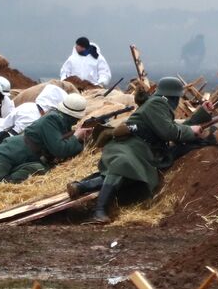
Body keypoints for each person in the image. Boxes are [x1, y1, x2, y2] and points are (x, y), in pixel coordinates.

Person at [68, 76, 210, 224]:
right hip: (128, 146)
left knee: (131, 176)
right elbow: (169, 132)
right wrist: (191, 130)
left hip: (139, 150)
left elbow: (177, 127)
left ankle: (81, 186)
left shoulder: (159, 105)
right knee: (123, 165)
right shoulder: (157, 103)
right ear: (172, 96)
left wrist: (202, 113)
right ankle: (99, 211)